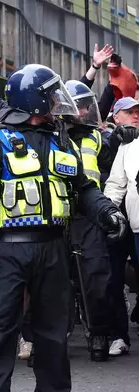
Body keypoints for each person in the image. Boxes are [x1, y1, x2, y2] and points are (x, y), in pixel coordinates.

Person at [0, 56, 127, 392]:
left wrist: (106, 212)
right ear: (33, 100)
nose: (58, 102)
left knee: (54, 334)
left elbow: (84, 188)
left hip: (54, 248)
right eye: (51, 95)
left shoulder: (61, 140)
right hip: (6, 250)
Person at [64, 80, 137, 362]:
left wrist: (119, 139)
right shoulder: (51, 135)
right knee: (53, 281)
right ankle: (45, 339)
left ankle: (99, 333)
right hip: (59, 216)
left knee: (97, 277)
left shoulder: (96, 137)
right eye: (78, 107)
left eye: (86, 106)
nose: (83, 112)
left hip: (89, 216)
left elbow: (111, 164)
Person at [102, 96, 139, 357]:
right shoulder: (123, 144)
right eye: (130, 112)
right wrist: (108, 214)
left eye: (138, 111)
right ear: (116, 116)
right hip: (125, 225)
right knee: (113, 280)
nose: (136, 116)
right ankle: (118, 336)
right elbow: (115, 184)